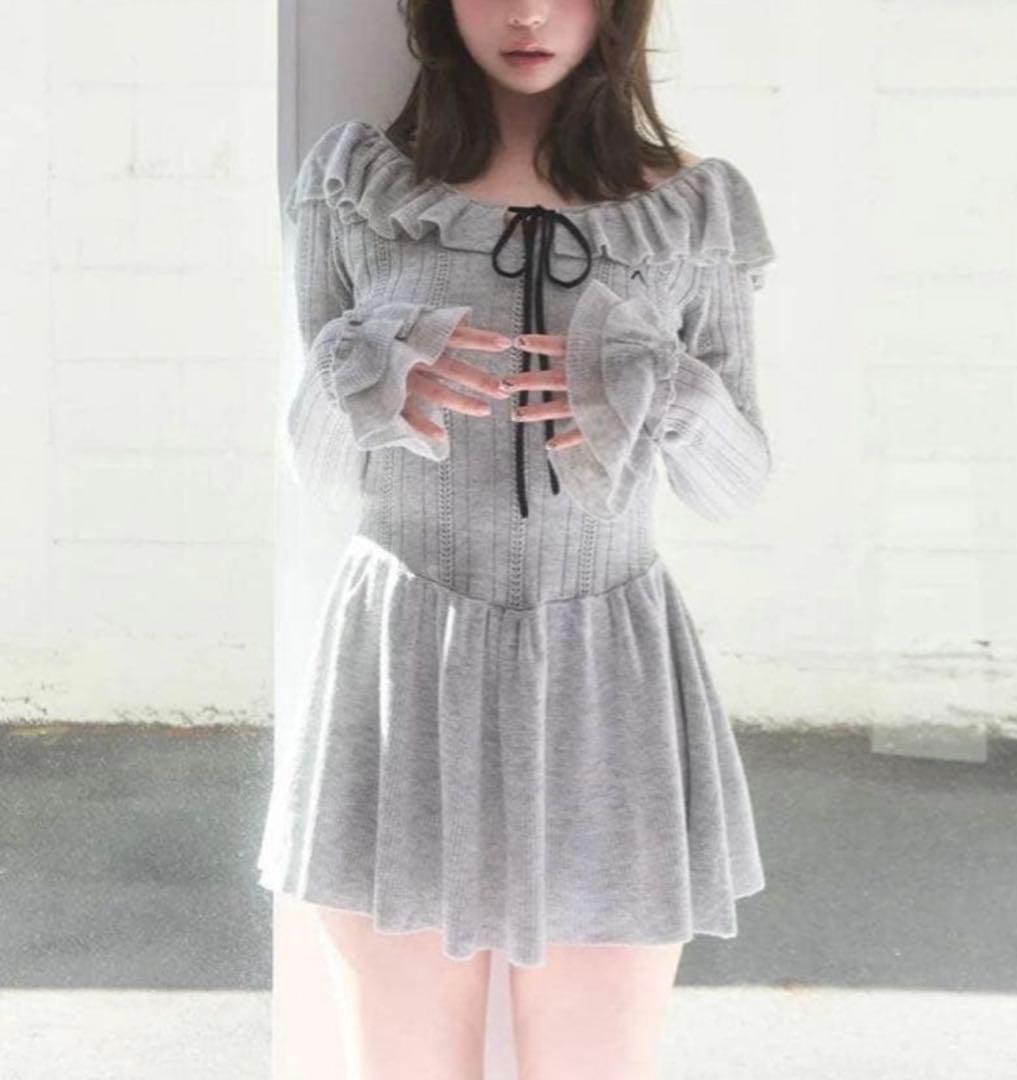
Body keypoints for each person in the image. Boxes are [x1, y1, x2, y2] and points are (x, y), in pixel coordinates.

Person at [257, 0, 778, 1076]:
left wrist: (662, 390)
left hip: (609, 678)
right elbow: (315, 470)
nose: (529, 12)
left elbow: (733, 485)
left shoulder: (692, 208)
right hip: (401, 666)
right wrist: (367, 369)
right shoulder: (357, 185)